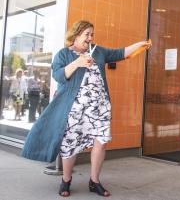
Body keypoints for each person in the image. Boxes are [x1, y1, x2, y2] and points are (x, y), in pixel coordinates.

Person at [21, 20, 151, 197]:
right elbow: (59, 76)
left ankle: (94, 181)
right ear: (75, 35)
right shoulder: (64, 54)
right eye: (87, 34)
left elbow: (120, 52)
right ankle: (66, 180)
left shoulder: (98, 51)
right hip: (74, 109)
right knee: (70, 144)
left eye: (92, 34)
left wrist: (139, 45)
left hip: (99, 108)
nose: (90, 38)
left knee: (102, 141)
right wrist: (78, 63)